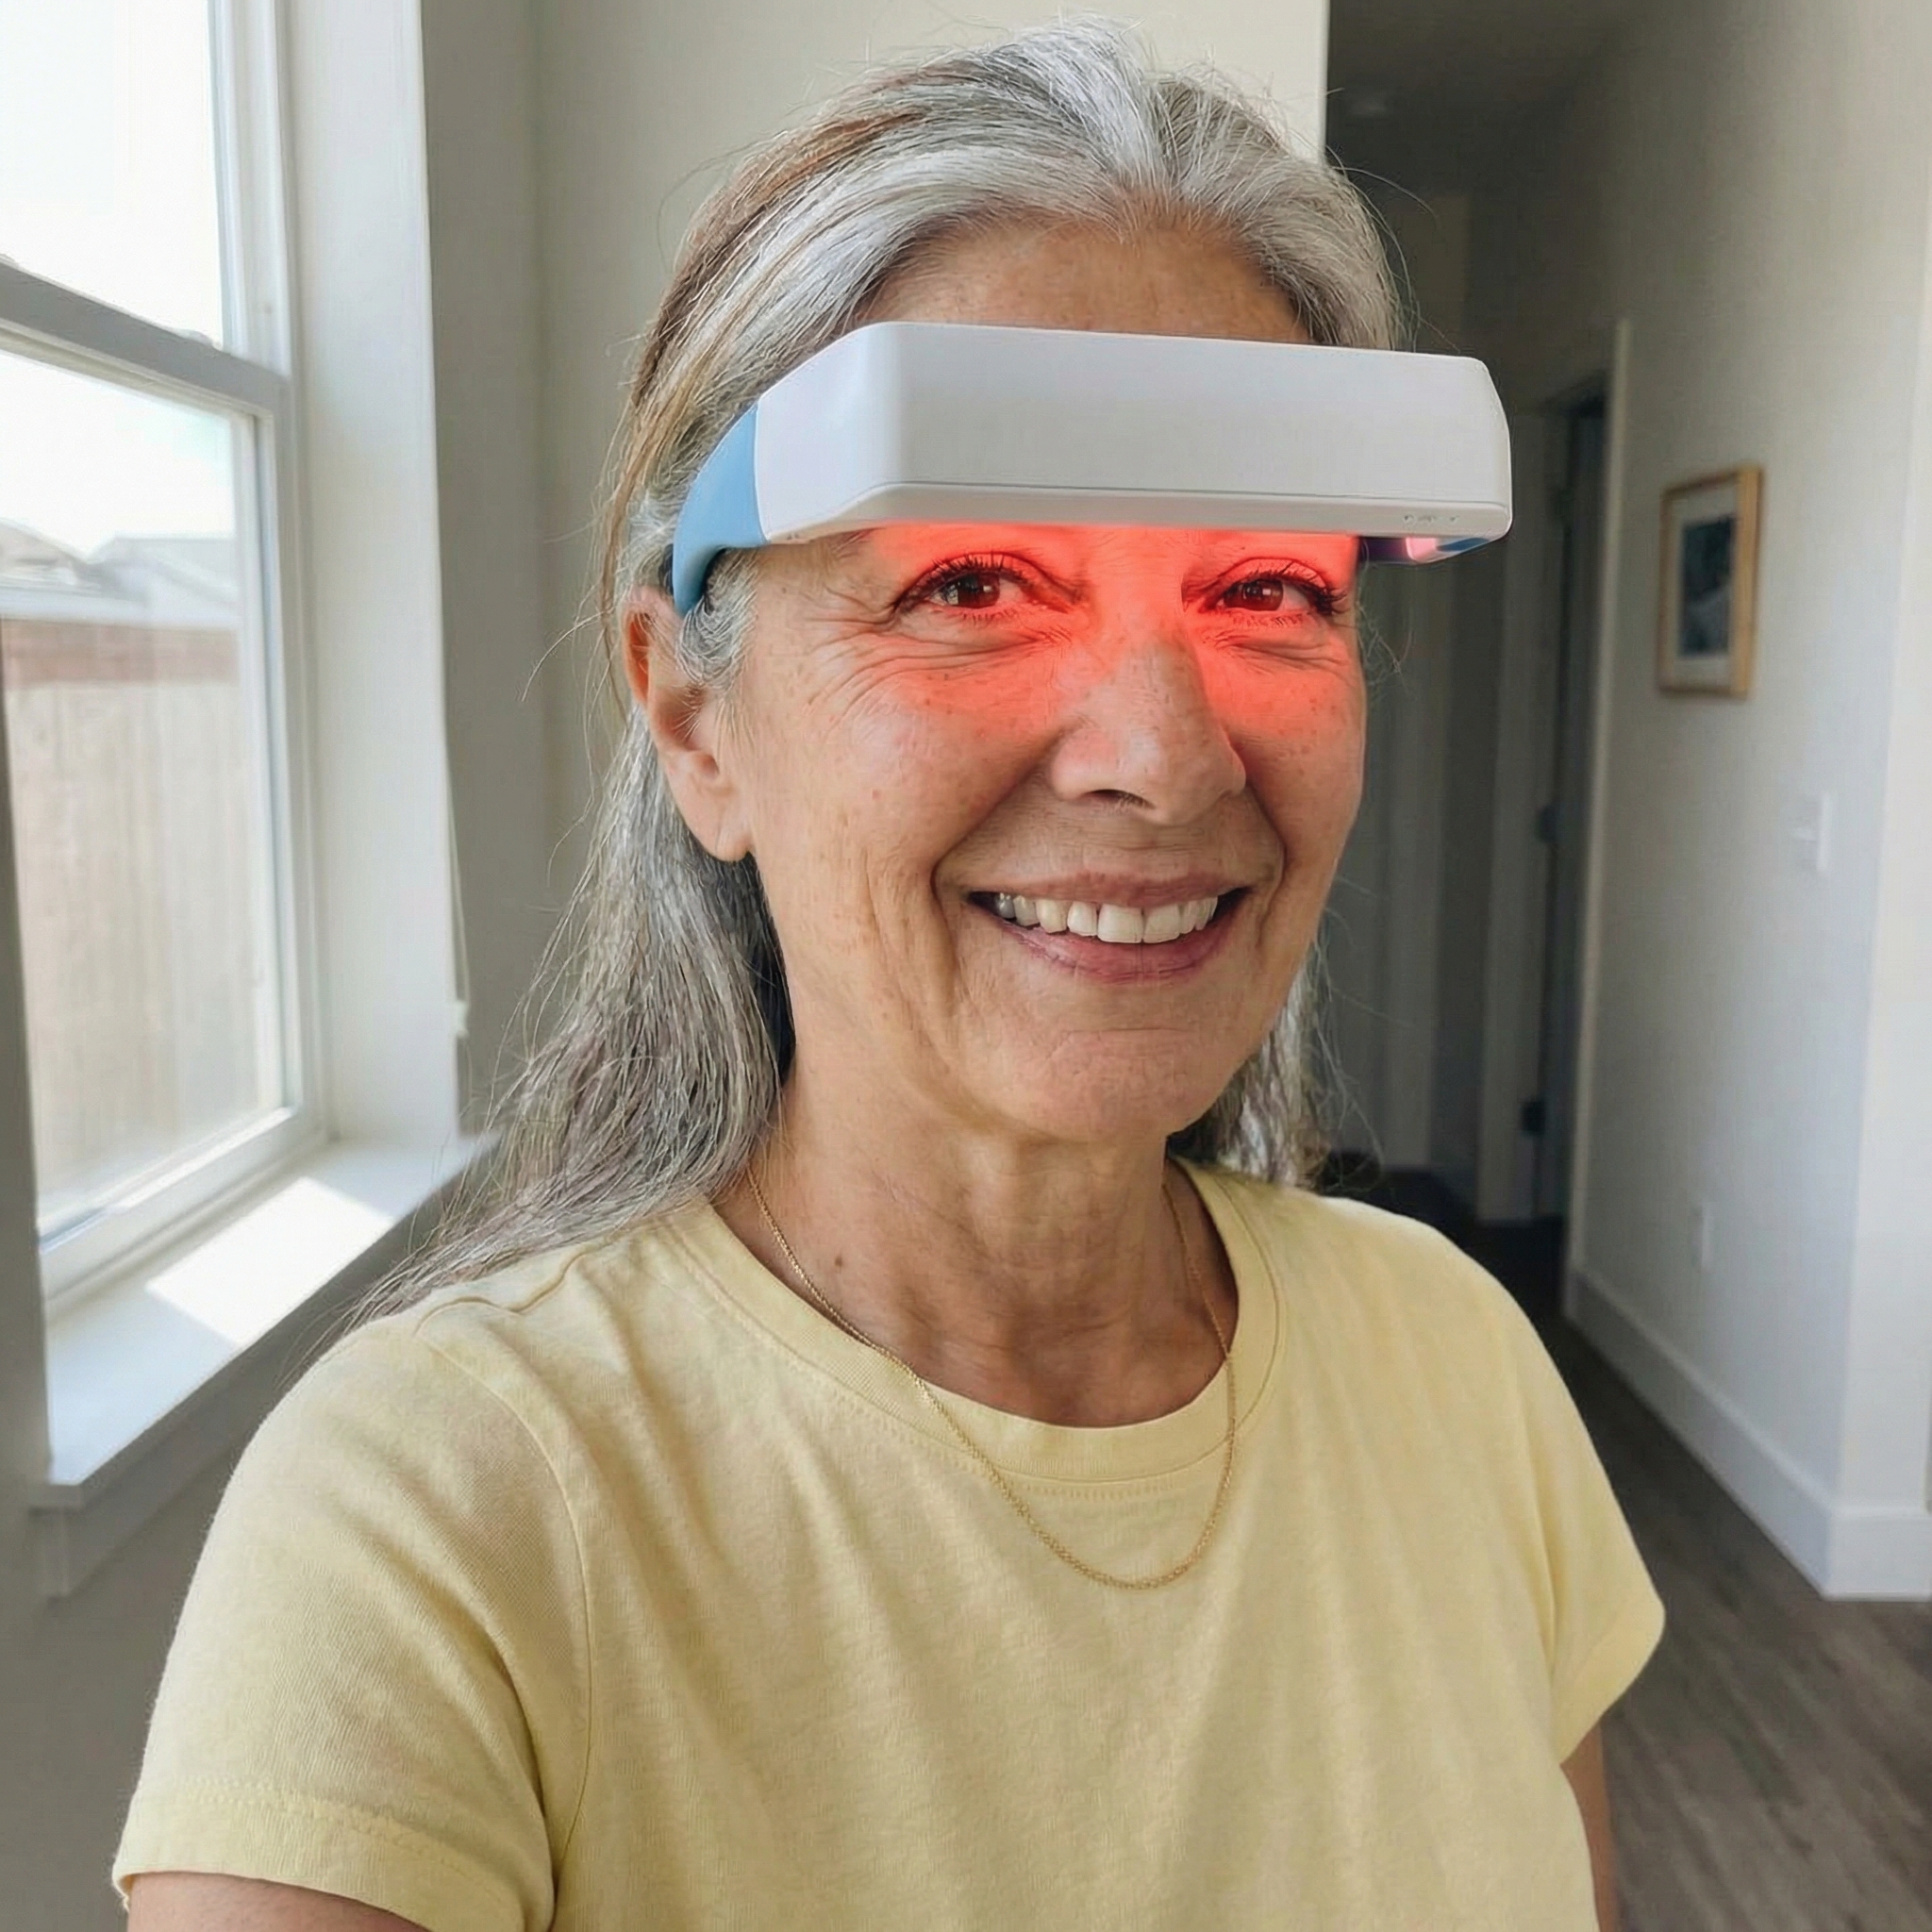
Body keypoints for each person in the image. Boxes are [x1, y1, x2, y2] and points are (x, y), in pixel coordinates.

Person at [118, 20, 1662, 1931]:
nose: (1165, 760)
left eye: (1270, 588)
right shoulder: (430, 1526)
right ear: (696, 713)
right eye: (974, 585)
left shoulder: (1456, 1365)